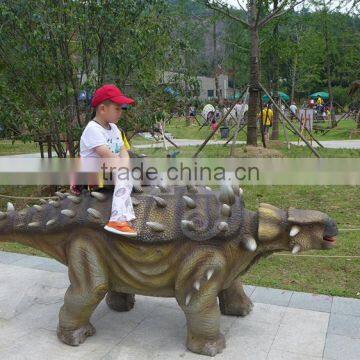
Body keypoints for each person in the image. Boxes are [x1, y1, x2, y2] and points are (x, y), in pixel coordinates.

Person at [80, 84, 137, 237]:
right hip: (94, 175)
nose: (120, 113)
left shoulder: (114, 128)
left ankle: (127, 216)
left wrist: (125, 164)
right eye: (117, 108)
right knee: (125, 175)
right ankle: (117, 220)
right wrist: (124, 167)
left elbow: (123, 151)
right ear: (103, 109)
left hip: (110, 169)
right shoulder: (92, 129)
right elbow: (106, 154)